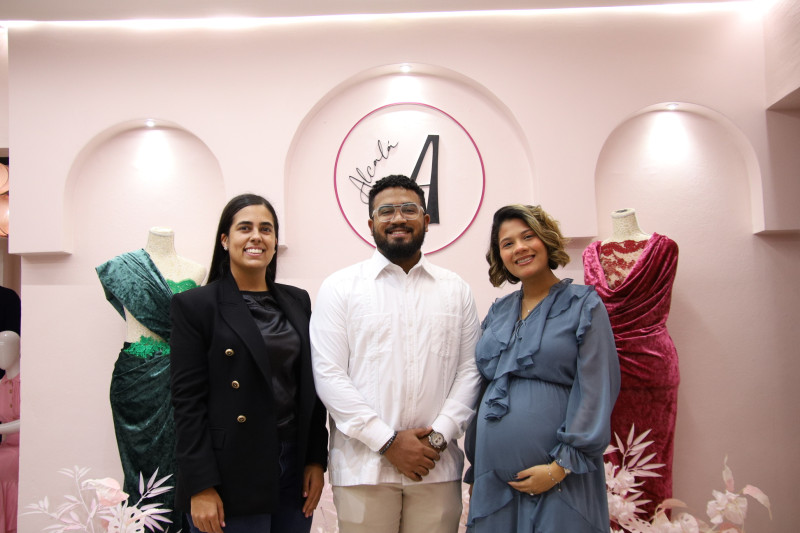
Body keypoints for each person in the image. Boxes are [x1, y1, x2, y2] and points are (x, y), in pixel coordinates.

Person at [310, 175, 481, 533]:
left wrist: (436, 439)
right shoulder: (340, 288)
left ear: (426, 220)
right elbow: (328, 374)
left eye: (409, 209)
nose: (398, 218)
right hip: (363, 468)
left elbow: (470, 371)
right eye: (386, 211)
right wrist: (387, 442)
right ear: (371, 224)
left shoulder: (455, 289)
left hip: (435, 465)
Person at [170, 194, 328, 533]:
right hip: (229, 469)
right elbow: (187, 404)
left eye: (266, 229)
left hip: (293, 463)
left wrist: (316, 458)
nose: (257, 236)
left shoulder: (297, 300)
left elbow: (311, 385)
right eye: (245, 228)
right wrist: (200, 485)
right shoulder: (195, 306)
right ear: (225, 240)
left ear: (274, 242)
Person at [466, 204, 620, 533]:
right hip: (494, 479)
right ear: (500, 256)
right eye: (507, 244)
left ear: (545, 240)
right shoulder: (497, 313)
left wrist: (559, 467)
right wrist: (477, 469)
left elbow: (597, 390)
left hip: (562, 477)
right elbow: (481, 392)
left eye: (527, 236)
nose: (519, 248)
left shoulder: (584, 305)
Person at [95, 227, 206, 524]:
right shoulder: (121, 268)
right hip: (134, 378)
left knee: (179, 463)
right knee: (137, 470)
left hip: (178, 378)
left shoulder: (197, 270)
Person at [582, 208, 680, 516]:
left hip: (653, 369)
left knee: (654, 463)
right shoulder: (590, 254)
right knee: (608, 466)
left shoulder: (665, 249)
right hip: (605, 369)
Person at [0, 330, 21, 533]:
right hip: (6, 446)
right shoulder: (0, 386)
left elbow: (28, 422)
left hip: (24, 446)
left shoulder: (27, 384)